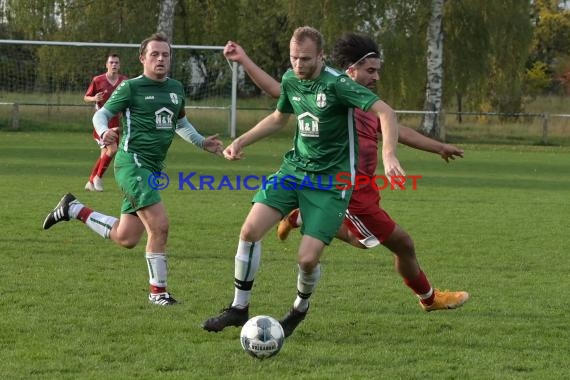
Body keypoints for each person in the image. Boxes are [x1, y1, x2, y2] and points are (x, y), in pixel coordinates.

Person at [222, 34, 469, 313]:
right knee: (378, 241)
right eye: (370, 70)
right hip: (343, 189)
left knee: (397, 244)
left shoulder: (362, 100)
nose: (376, 77)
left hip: (362, 189)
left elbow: (396, 128)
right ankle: (429, 298)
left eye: (377, 71)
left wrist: (438, 147)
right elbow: (280, 91)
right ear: (350, 69)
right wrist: (243, 61)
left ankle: (301, 216)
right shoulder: (335, 93)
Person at [202, 26, 405, 338]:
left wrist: (389, 155)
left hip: (331, 183)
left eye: (305, 59)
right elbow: (278, 118)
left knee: (307, 259)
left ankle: (299, 309)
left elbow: (386, 112)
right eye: (294, 58)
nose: (298, 65)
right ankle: (238, 308)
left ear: (321, 57)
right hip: (293, 171)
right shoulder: (290, 79)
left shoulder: (338, 84)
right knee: (249, 231)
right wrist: (241, 140)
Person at [42, 33, 224, 306]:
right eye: (155, 54)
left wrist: (202, 142)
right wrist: (104, 133)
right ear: (143, 58)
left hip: (152, 169)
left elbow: (181, 123)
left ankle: (73, 208)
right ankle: (158, 293)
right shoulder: (131, 87)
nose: (161, 59)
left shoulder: (175, 88)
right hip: (132, 164)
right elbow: (100, 114)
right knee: (160, 227)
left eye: (165, 54)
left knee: (126, 237)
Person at [84, 54, 128, 192]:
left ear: (119, 65)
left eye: (116, 62)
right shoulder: (98, 80)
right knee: (113, 149)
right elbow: (85, 97)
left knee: (105, 153)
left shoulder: (125, 81)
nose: (114, 65)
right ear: (106, 65)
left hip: (115, 120)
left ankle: (90, 182)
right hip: (101, 121)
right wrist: (94, 98)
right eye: (111, 62)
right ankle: (98, 178)